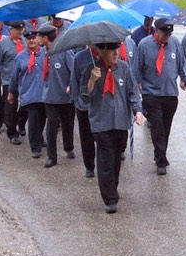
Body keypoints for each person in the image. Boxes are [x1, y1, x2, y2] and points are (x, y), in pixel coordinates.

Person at [80, 42, 145, 213]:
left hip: (121, 122)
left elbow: (132, 91)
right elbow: (84, 98)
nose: (116, 53)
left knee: (116, 157)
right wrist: (92, 81)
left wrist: (138, 111)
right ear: (102, 52)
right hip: (101, 123)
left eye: (117, 50)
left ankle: (113, 186)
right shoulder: (91, 69)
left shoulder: (123, 68)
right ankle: (109, 198)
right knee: (105, 159)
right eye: (111, 51)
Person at [133, 18, 186, 175]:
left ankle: (159, 152)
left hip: (170, 93)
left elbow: (182, 65)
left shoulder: (174, 43)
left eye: (170, 33)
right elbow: (136, 68)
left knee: (165, 127)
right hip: (151, 93)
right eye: (164, 33)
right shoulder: (144, 45)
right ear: (157, 31)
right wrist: (136, 85)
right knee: (157, 125)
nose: (167, 36)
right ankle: (161, 160)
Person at [37, 23, 76, 167]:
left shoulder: (64, 51)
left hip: (65, 97)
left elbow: (74, 71)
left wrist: (71, 86)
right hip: (49, 96)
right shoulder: (42, 52)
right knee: (51, 127)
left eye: (39, 37)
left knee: (68, 124)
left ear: (45, 38)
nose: (37, 39)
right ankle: (52, 157)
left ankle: (69, 147)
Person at [9, 28, 47, 158]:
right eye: (29, 39)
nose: (31, 41)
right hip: (28, 94)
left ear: (38, 39)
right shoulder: (20, 57)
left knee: (42, 119)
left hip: (43, 94)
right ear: (26, 40)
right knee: (33, 119)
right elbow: (14, 77)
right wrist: (11, 92)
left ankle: (39, 138)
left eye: (34, 38)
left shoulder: (44, 54)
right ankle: (35, 147)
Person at [0, 21, 26, 142]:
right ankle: (12, 133)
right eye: (16, 29)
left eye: (21, 29)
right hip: (9, 79)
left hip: (24, 79)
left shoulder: (25, 42)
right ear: (10, 29)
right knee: (10, 107)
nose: (19, 31)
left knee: (27, 106)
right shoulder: (3, 44)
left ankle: (21, 123)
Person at [71, 45, 100, 177]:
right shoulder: (80, 57)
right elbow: (75, 79)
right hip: (84, 104)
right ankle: (89, 165)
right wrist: (76, 100)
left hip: (101, 104)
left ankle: (103, 164)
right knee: (86, 137)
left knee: (102, 137)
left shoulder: (107, 55)